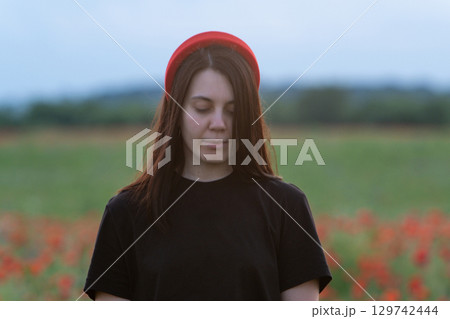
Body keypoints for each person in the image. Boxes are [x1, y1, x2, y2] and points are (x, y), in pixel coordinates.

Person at [83, 31, 332, 301]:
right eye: (202, 108)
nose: (219, 123)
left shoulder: (287, 207)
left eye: (233, 111)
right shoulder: (125, 213)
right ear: (175, 113)